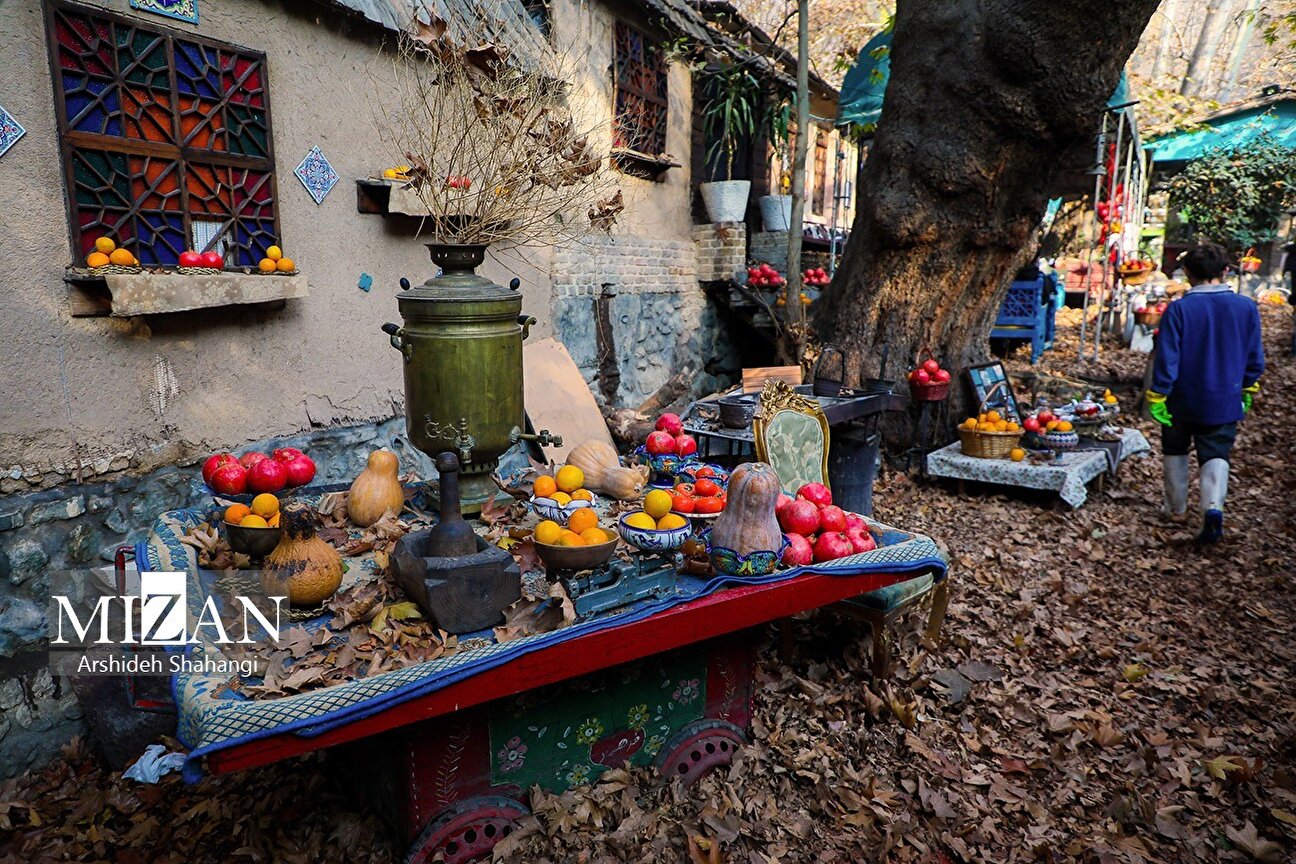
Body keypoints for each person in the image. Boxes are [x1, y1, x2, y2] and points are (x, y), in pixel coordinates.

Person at [1147, 242, 1264, 544]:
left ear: (1186, 273)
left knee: (1175, 449)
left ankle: (1176, 509)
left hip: (1180, 397)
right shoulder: (1246, 307)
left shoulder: (1179, 309)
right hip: (1225, 396)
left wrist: (1158, 393)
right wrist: (1249, 384)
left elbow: (1167, 356)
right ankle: (1212, 509)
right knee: (1216, 451)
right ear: (1226, 270)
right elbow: (1254, 355)